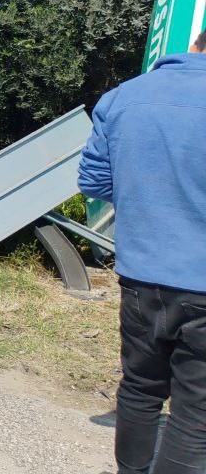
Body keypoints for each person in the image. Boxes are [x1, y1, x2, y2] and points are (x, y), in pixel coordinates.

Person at [79, 30, 206, 474]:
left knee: (140, 387)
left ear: (195, 44)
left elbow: (93, 182)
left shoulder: (123, 98)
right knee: (196, 409)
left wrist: (147, 204)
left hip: (141, 273)